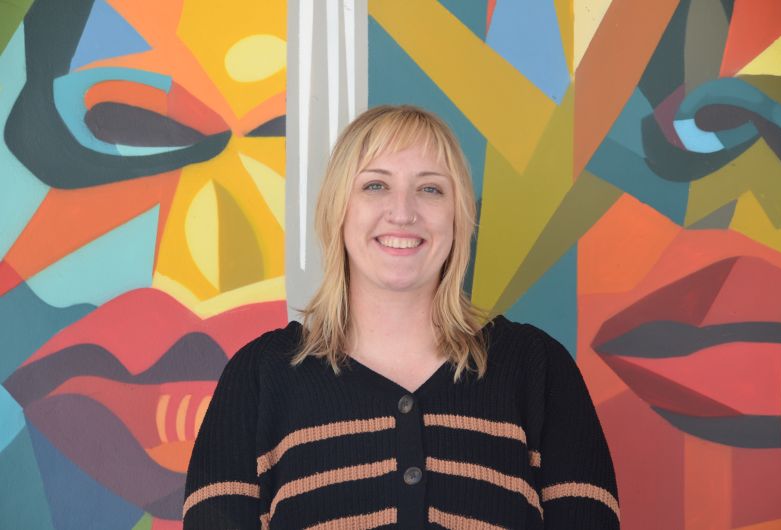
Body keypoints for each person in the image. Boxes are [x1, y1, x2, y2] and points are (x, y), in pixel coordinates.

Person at [183, 105, 620, 529]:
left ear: (458, 216)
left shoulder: (537, 368)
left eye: (430, 189)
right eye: (375, 185)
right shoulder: (259, 376)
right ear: (338, 209)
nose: (403, 212)